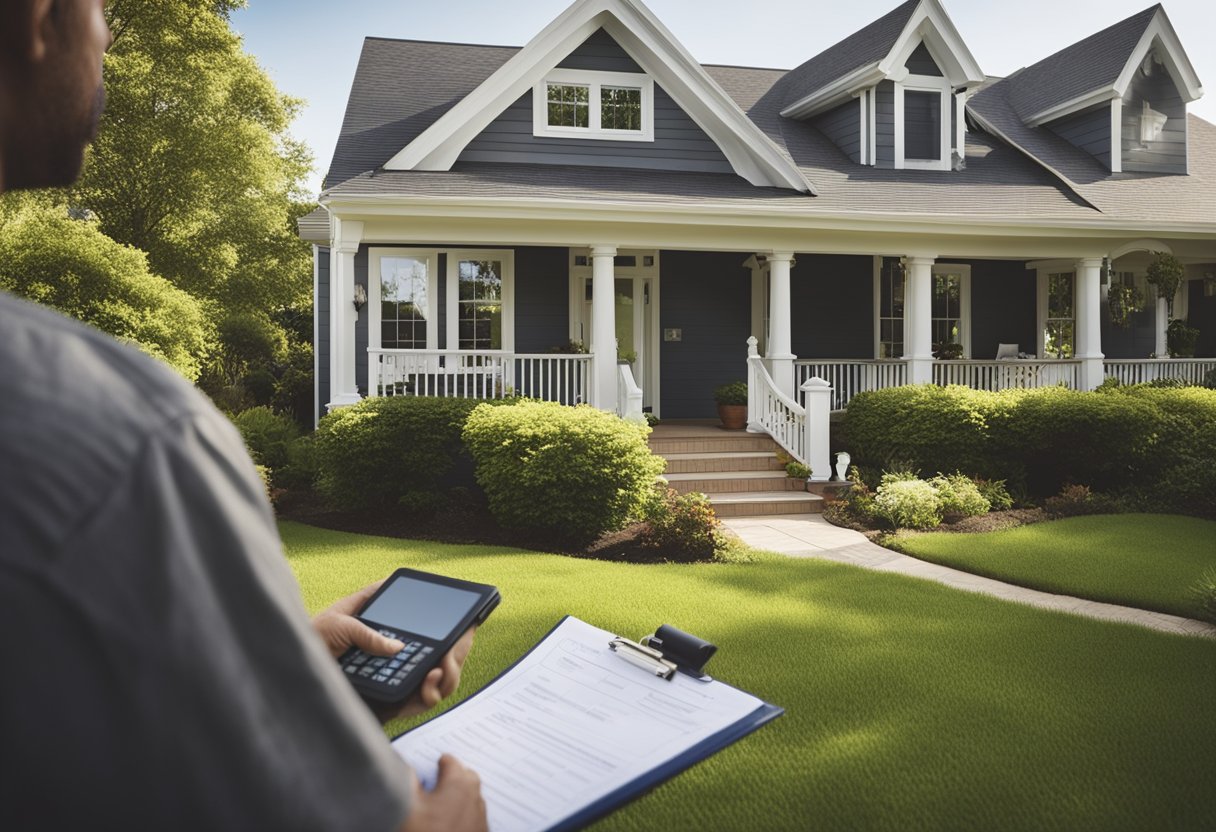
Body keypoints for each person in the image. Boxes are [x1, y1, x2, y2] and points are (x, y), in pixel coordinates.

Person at [0, 2, 487, 829]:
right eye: (98, 7)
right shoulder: (127, 441)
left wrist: (278, 665)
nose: (110, 32)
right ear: (39, 18)